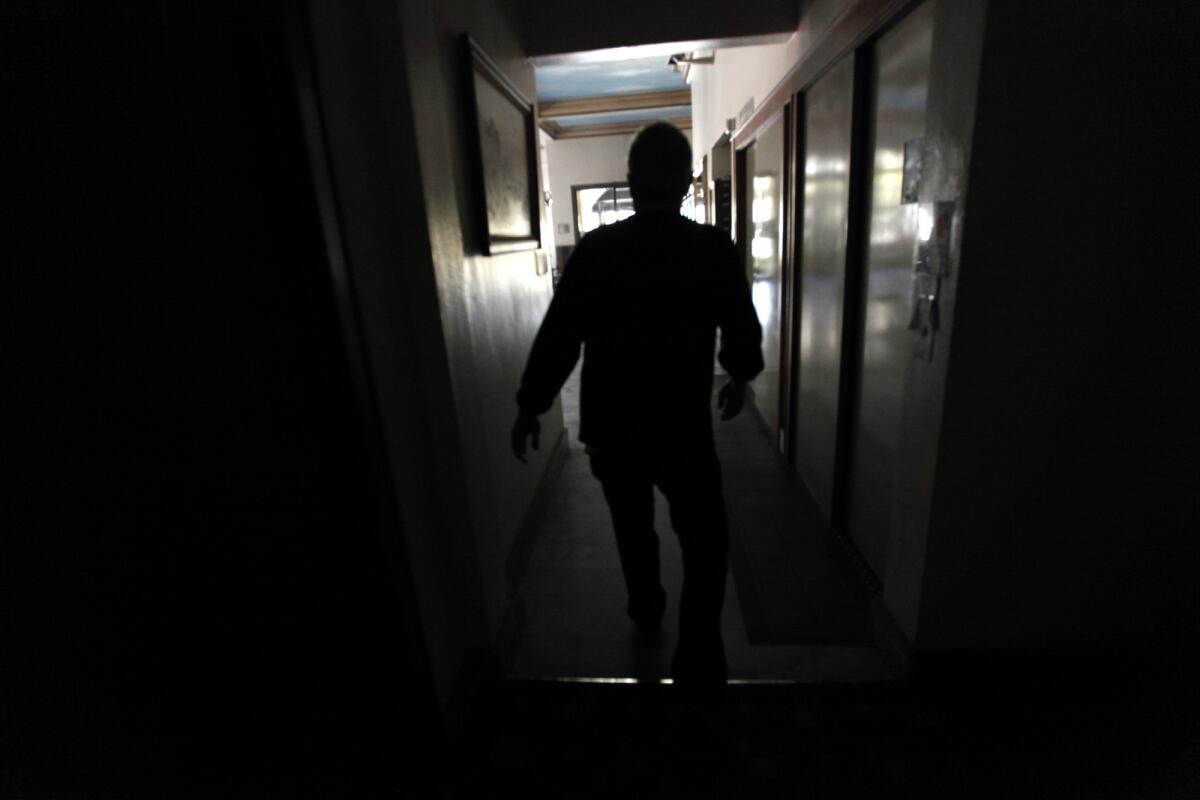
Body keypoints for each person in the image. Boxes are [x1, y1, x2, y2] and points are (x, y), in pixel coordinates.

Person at [510, 122, 763, 692]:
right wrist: (739, 375)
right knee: (704, 539)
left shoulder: (598, 251)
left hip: (613, 425)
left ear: (631, 181)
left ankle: (646, 609)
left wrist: (532, 403)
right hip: (682, 427)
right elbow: (741, 326)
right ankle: (698, 649)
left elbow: (561, 336)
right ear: (684, 182)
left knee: (632, 525)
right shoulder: (709, 249)